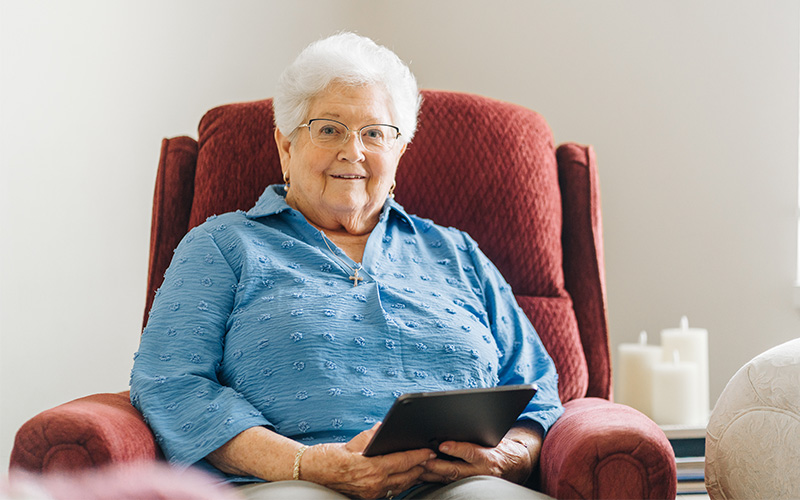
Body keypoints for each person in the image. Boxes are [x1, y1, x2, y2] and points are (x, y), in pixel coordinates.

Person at [130, 32, 564, 500]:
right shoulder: (221, 245)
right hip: (290, 482)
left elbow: (535, 384)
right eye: (329, 128)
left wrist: (512, 456)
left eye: (374, 133)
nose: (353, 151)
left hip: (457, 486)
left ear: (399, 152)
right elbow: (169, 382)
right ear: (286, 146)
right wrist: (304, 464)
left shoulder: (456, 252)